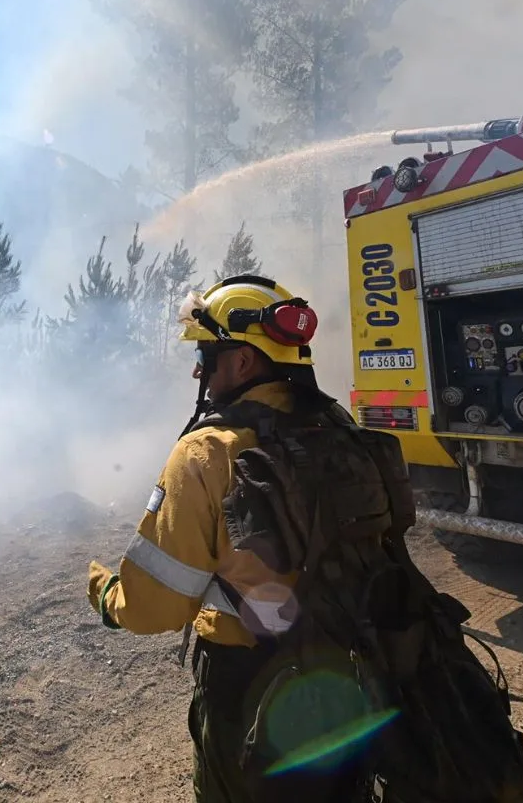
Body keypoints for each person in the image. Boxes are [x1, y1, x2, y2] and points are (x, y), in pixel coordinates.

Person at [85, 276, 372, 802]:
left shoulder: (207, 453)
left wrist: (109, 594)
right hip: (348, 663)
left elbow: (159, 607)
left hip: (250, 679)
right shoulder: (338, 426)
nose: (199, 370)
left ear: (241, 362)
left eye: (206, 354)